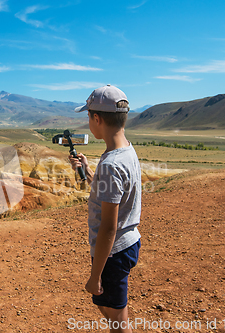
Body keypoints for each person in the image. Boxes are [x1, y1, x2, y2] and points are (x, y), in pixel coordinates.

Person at [69, 84, 141, 333]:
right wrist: (88, 171)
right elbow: (110, 193)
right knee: (116, 314)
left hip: (113, 252)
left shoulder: (111, 164)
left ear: (96, 118)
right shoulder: (125, 151)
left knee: (118, 323)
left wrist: (95, 275)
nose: (88, 121)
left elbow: (109, 228)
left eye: (88, 116)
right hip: (127, 244)